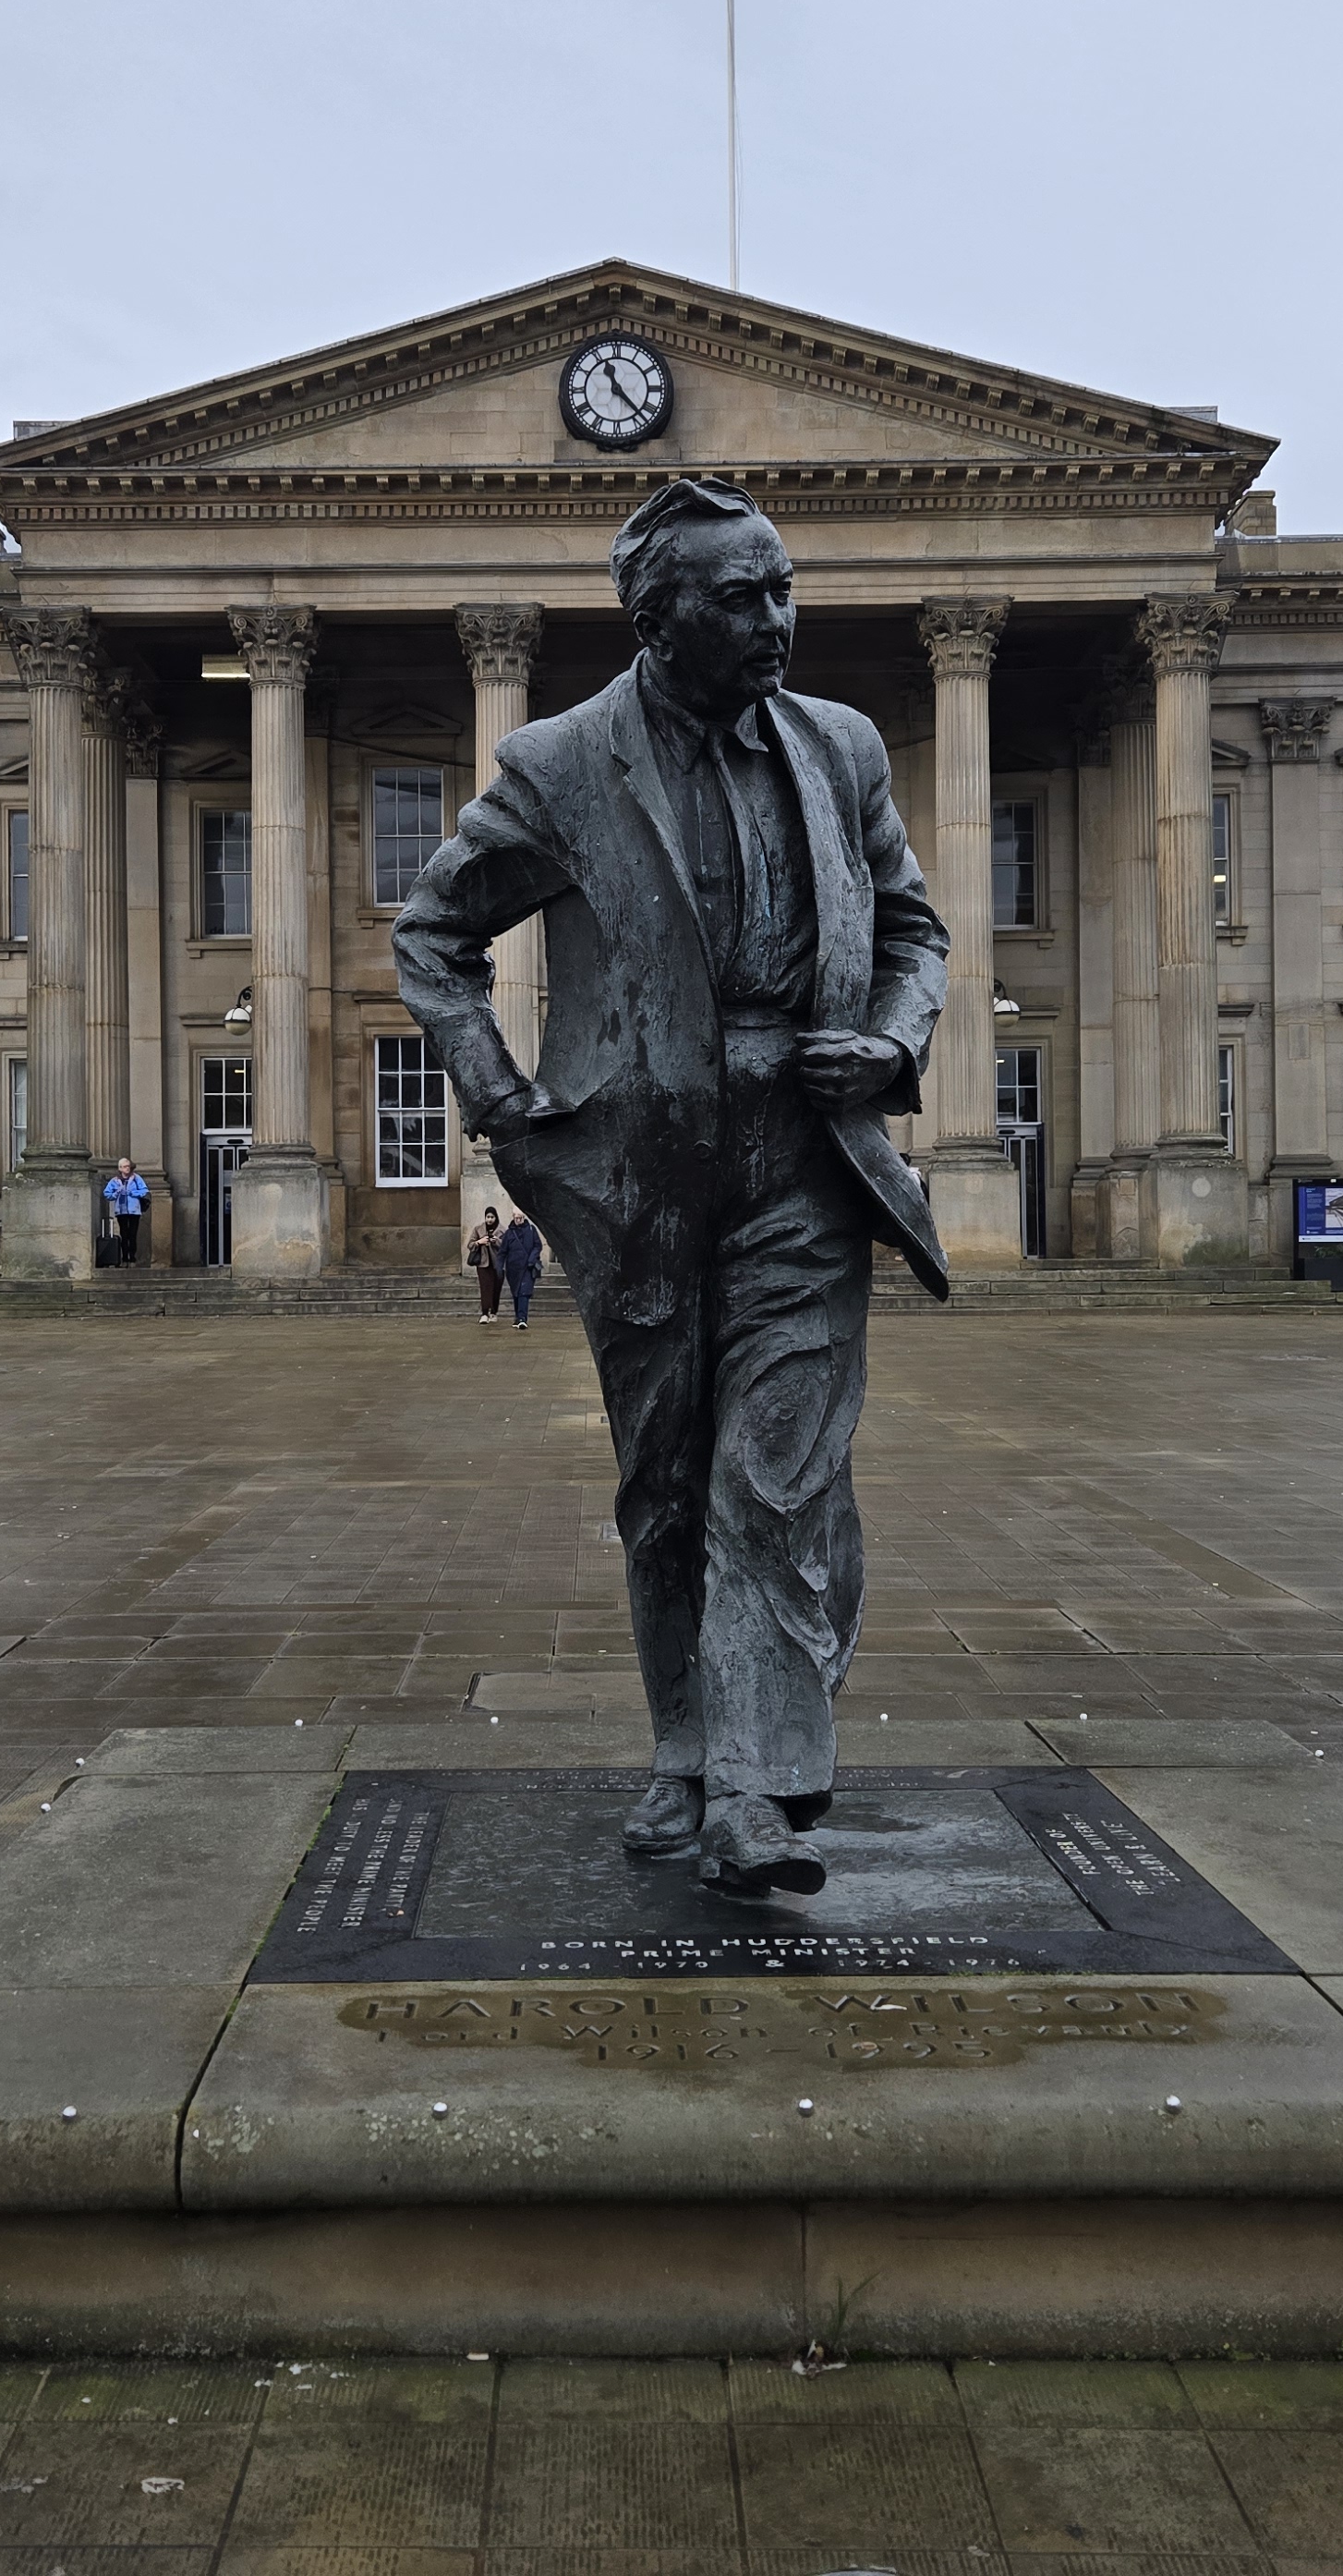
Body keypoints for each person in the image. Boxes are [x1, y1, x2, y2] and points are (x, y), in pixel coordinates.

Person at [394, 476, 949, 1895]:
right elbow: (434, 936)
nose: (779, 616)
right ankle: (688, 1751)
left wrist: (889, 1039)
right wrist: (501, 1096)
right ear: (659, 616)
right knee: (663, 1484)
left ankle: (759, 1791)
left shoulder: (841, 747)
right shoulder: (564, 762)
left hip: (809, 1163)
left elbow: (910, 927)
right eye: (744, 596)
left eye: (784, 586)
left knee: (776, 1467)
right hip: (637, 1175)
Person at [496, 1210, 544, 1332]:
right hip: (513, 1269)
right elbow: (502, 1252)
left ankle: (523, 1318)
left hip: (528, 1267)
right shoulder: (509, 1233)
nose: (518, 1220)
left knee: (524, 1292)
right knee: (516, 1293)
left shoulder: (531, 1230)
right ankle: (518, 1317)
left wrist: (532, 1259)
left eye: (520, 1218)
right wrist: (499, 1267)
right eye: (516, 1218)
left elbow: (537, 1245)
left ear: (524, 1217)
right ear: (513, 1218)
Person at [102, 1159, 148, 1267]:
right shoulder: (115, 1181)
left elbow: (144, 1190)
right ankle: (124, 1258)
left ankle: (132, 1258)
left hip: (134, 1211)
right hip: (121, 1211)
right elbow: (107, 1194)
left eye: (129, 1166)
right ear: (120, 1168)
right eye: (125, 1166)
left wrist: (133, 1193)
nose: (127, 1168)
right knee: (124, 1234)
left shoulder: (136, 1178)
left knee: (132, 1235)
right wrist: (116, 1193)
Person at [466, 1206, 504, 1324]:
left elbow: (507, 1246)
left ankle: (494, 1312)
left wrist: (496, 1241)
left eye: (492, 1217)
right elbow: (470, 1245)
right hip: (483, 1264)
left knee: (496, 1289)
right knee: (485, 1288)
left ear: (496, 1217)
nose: (490, 1220)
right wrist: (480, 1242)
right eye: (488, 1217)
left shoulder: (502, 1230)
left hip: (497, 1265)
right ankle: (484, 1313)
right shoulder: (478, 1229)